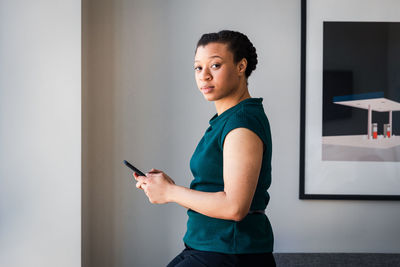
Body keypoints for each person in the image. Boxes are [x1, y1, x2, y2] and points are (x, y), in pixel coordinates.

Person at [134, 30, 275, 267]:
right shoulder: (226, 120)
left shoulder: (242, 124)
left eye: (215, 65)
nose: (204, 76)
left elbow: (235, 207)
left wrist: (170, 192)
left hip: (230, 253)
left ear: (241, 66)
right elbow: (216, 191)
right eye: (198, 68)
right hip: (208, 248)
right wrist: (167, 188)